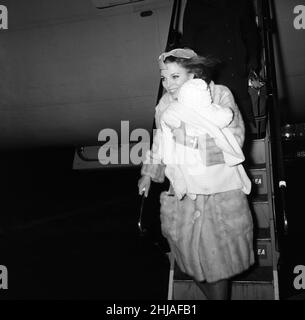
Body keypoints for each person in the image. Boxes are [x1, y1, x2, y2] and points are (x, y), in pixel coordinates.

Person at [138, 48, 254, 300]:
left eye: (175, 77)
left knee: (219, 265)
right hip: (183, 195)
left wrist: (190, 141)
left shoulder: (219, 95)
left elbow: (234, 138)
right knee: (189, 263)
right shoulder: (165, 105)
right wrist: (149, 173)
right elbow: (160, 141)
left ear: (193, 75)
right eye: (163, 77)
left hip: (218, 193)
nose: (167, 84)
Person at [181, 0, 260, 131]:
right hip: (210, 76)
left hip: (236, 71)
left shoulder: (241, 3)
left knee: (241, 126)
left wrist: (251, 62)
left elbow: (250, 32)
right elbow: (189, 41)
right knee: (215, 128)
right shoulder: (195, 4)